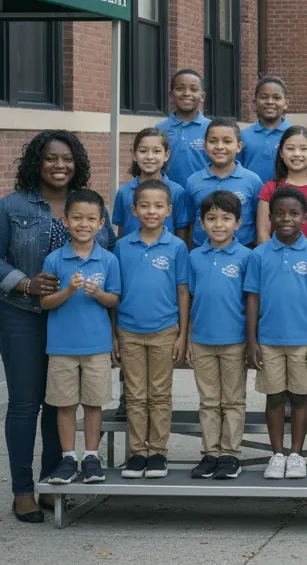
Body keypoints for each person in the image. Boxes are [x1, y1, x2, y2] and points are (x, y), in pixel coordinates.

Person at [0, 129, 113, 522]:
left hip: (73, 323)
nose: (59, 165)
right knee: (24, 404)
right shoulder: (12, 205)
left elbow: (109, 256)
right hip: (22, 316)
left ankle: (55, 482)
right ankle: (22, 491)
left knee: (61, 402)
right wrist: (24, 282)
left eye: (67, 158)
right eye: (51, 158)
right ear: (37, 161)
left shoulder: (88, 206)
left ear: (77, 163)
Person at [244, 187, 307, 480]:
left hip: (303, 341)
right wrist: (252, 341)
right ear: (270, 217)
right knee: (274, 399)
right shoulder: (259, 255)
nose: (286, 219)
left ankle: (297, 454)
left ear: (305, 217)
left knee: (300, 399)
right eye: (279, 213)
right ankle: (277, 454)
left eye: (293, 213)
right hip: (269, 341)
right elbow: (253, 298)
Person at [39, 189, 121, 486]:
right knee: (64, 404)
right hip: (61, 346)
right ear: (65, 221)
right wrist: (67, 291)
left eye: (90, 219)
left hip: (96, 345)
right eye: (76, 218)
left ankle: (90, 456)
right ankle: (67, 457)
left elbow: (114, 300)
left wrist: (98, 293)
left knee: (93, 403)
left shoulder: (108, 260)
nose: (83, 224)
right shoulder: (54, 260)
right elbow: (45, 303)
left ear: (101, 224)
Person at [112, 180, 190, 480]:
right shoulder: (122, 247)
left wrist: (182, 334)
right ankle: (137, 453)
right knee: (135, 395)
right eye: (144, 205)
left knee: (159, 394)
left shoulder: (177, 247)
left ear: (169, 210)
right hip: (129, 330)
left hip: (164, 330)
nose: (151, 211)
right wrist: (114, 334)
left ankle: (157, 451)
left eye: (158, 206)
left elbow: (183, 292)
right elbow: (115, 293)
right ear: (134, 210)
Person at [186, 190, 251, 481]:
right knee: (209, 401)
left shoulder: (246, 256)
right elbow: (188, 299)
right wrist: (187, 337)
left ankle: (230, 454)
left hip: (235, 340)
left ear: (238, 223)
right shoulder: (194, 257)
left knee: (233, 401)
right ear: (201, 223)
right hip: (201, 340)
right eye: (211, 218)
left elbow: (251, 302)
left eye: (226, 218)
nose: (219, 224)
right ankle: (210, 453)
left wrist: (251, 341)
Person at [186, 118, 265, 248]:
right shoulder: (193, 181)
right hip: (201, 252)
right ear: (205, 147)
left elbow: (259, 222)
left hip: (243, 253)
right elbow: (189, 222)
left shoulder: (252, 181)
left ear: (239, 146)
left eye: (227, 141)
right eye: (213, 141)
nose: (220, 147)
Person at [113, 127, 193, 241]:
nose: (149, 157)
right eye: (143, 151)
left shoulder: (177, 191)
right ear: (134, 154)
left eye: (156, 151)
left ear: (166, 155)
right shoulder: (124, 192)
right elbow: (121, 230)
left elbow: (182, 230)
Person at [257, 126, 307, 246]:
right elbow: (263, 234)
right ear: (281, 152)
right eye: (290, 148)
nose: (297, 154)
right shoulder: (270, 189)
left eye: (304, 149)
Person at [157, 70, 212, 188]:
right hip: (167, 195)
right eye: (180, 88)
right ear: (171, 95)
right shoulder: (159, 130)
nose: (187, 93)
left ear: (202, 96)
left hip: (204, 194)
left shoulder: (212, 129)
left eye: (193, 89)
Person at [240, 76, 294, 184]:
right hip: (250, 196)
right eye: (264, 97)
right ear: (255, 103)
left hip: (286, 196)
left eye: (276, 98)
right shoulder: (242, 136)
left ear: (286, 103)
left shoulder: (294, 135)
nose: (270, 102)